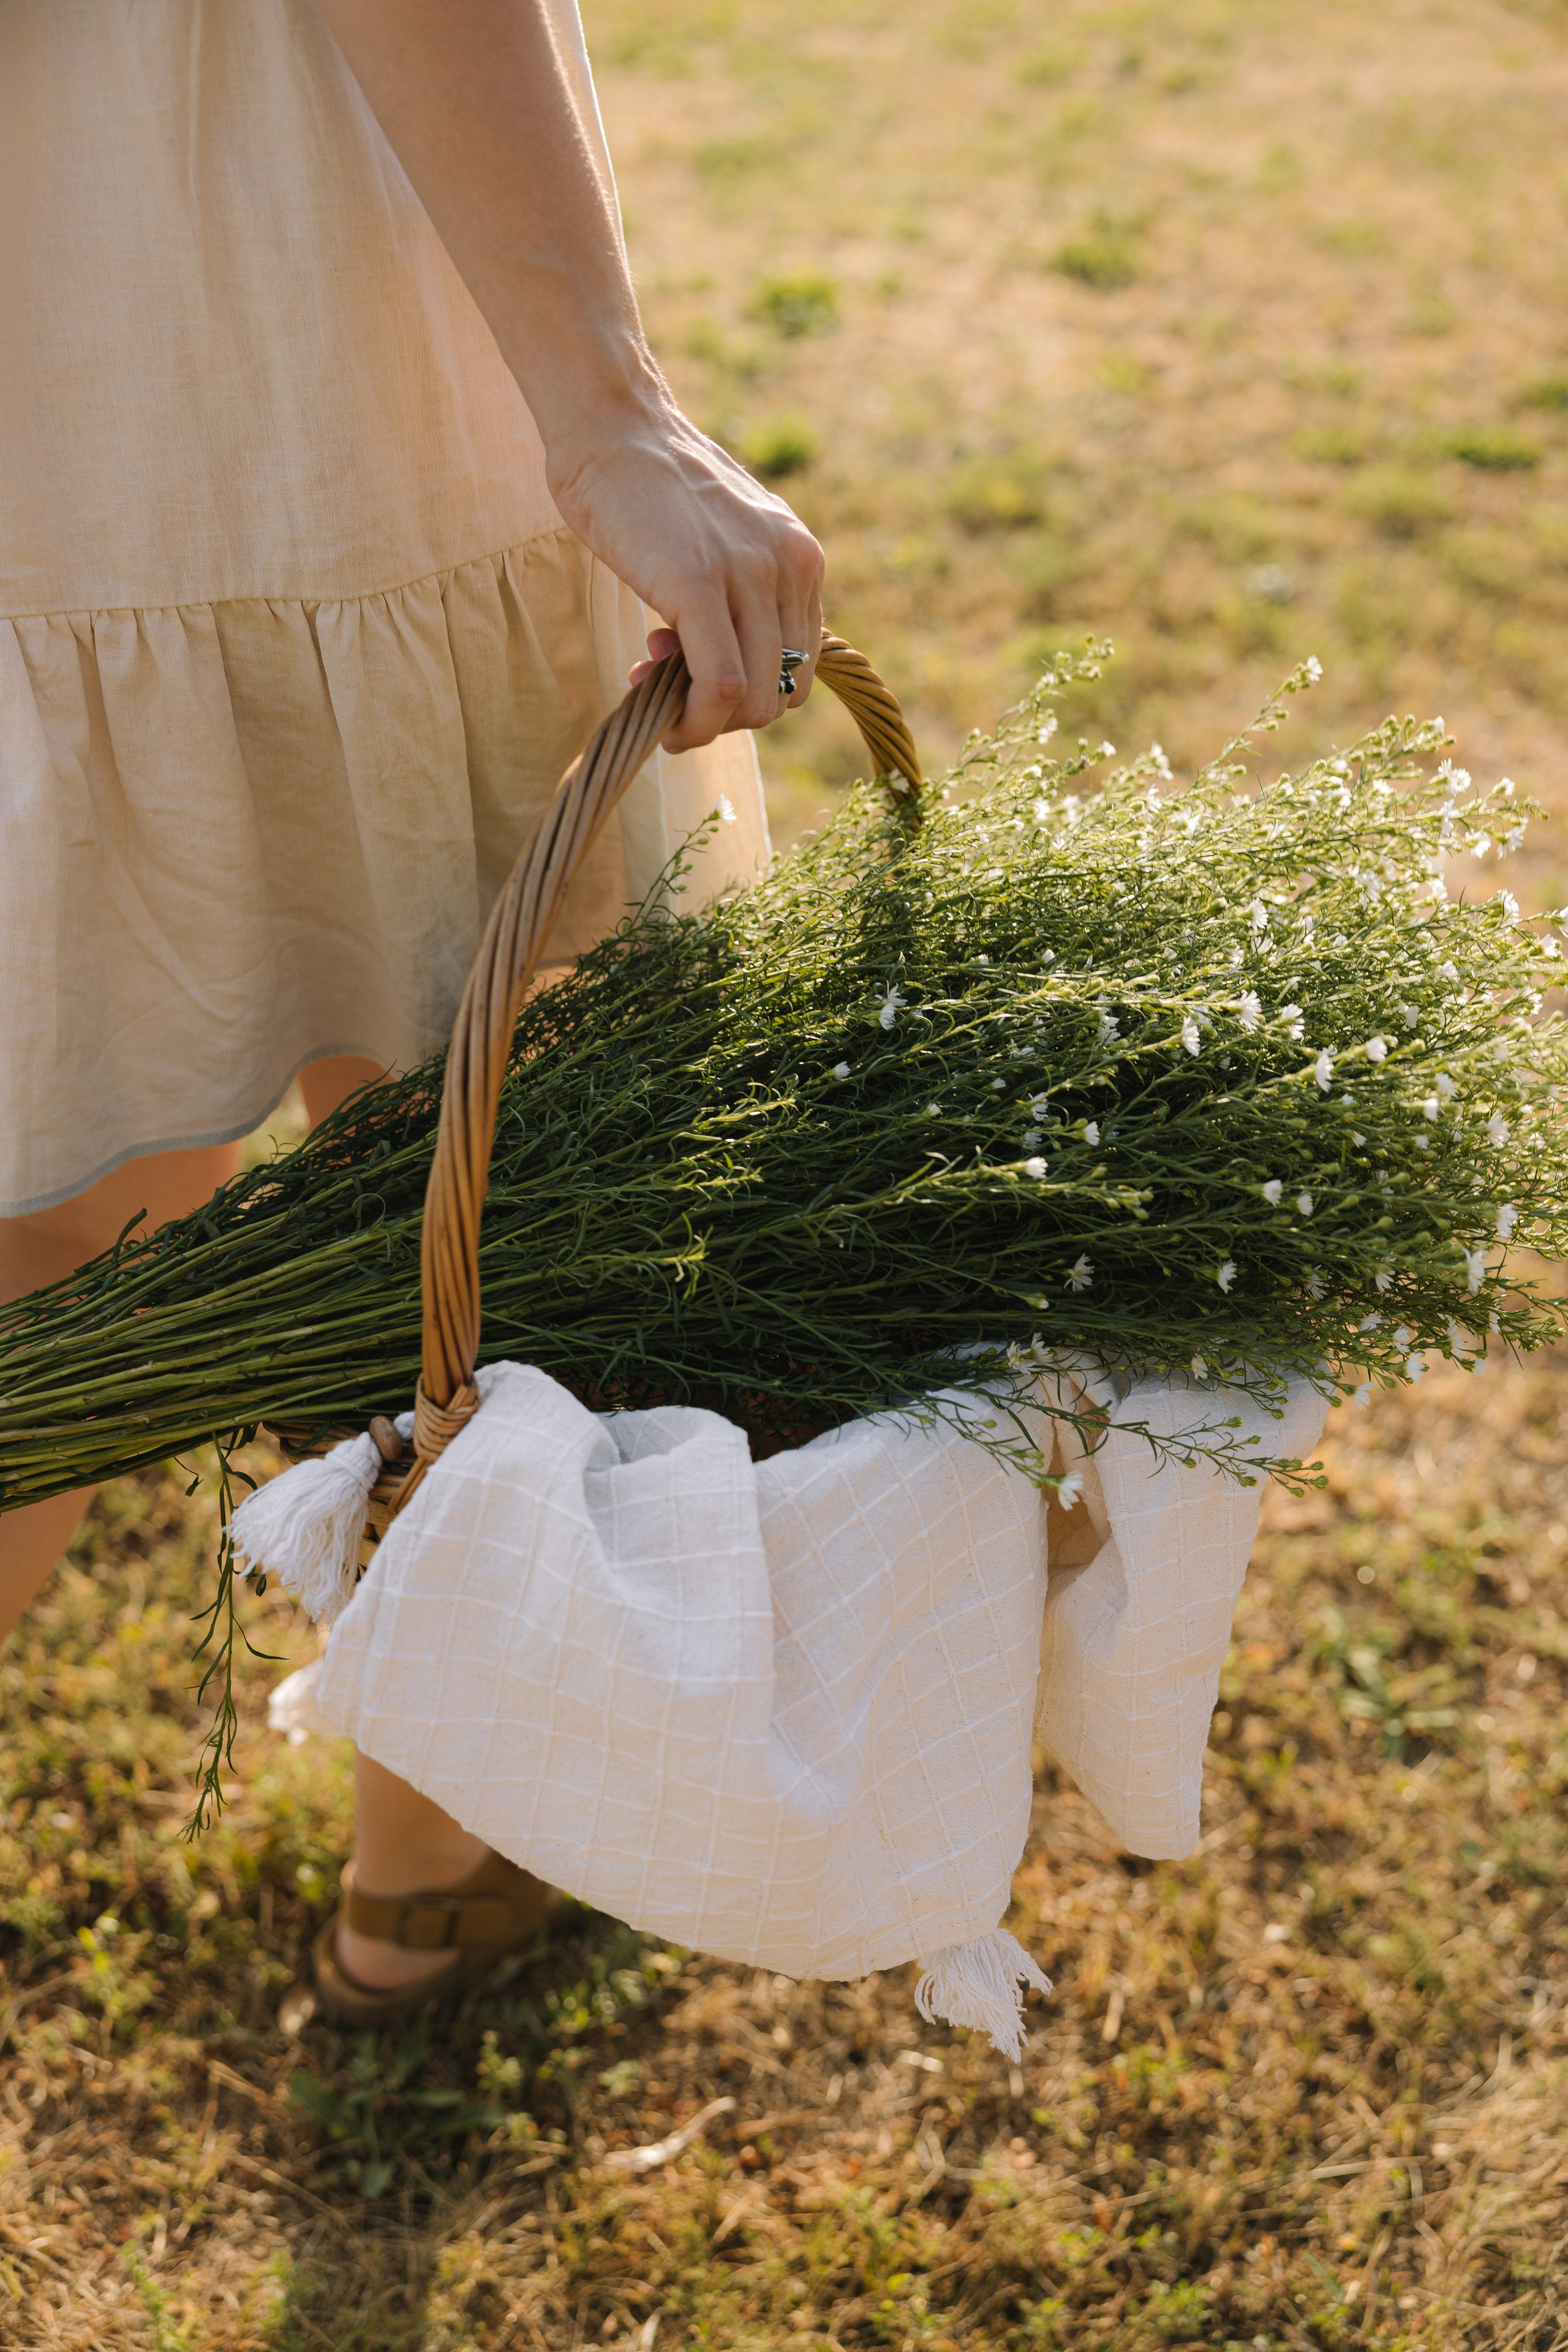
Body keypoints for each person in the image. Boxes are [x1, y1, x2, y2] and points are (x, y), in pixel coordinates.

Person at [0, 0, 824, 2021]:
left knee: (44, 1217)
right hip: (298, 301)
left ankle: (439, 1853)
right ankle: (431, 1883)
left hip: (55, 328)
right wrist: (607, 409)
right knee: (475, 1153)